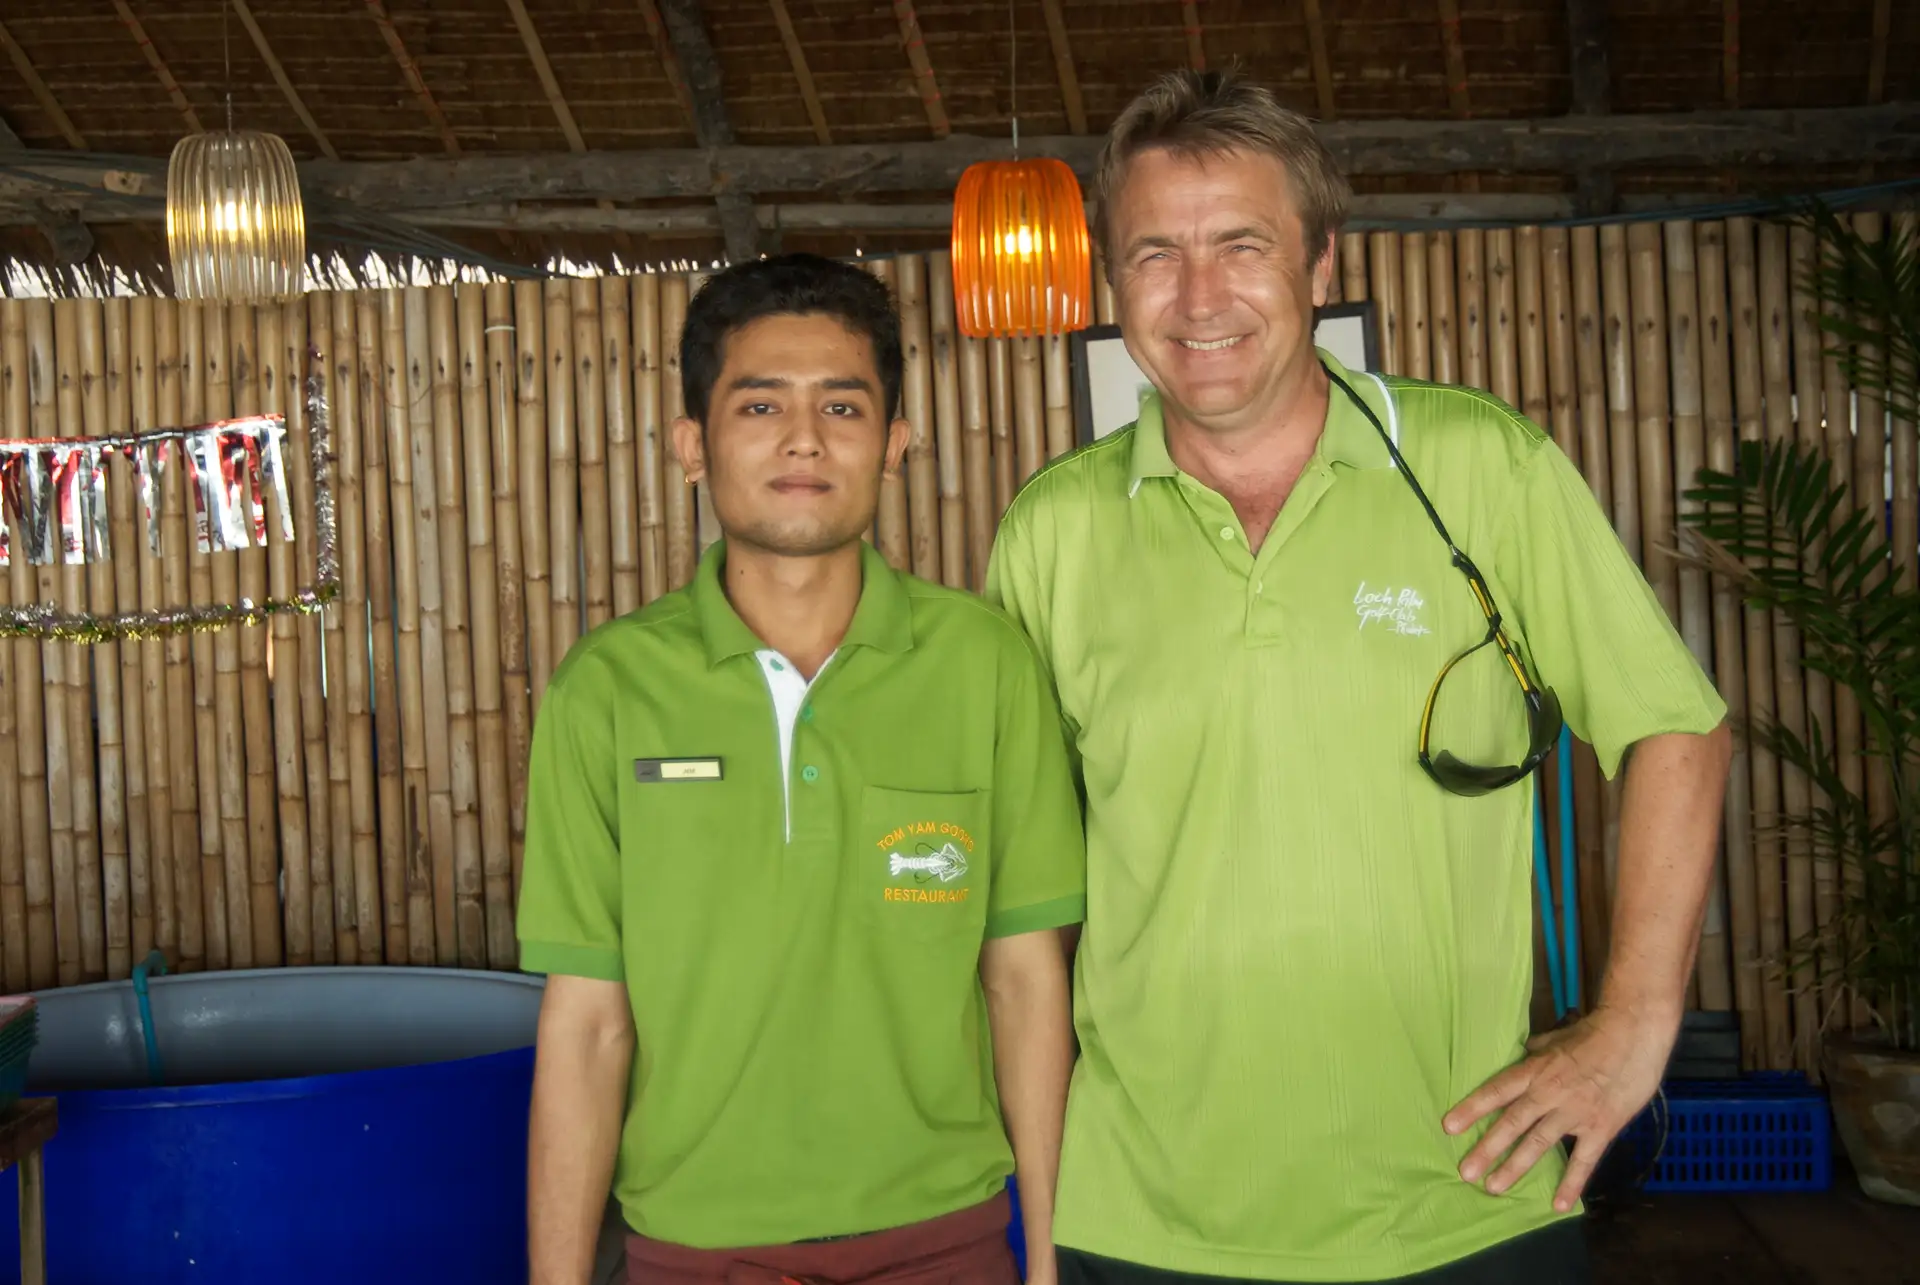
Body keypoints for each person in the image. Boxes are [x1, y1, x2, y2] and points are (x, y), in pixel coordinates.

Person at [985, 69, 1733, 1285]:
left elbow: (1676, 728)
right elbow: (1021, 889)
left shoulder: (1481, 466)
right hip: (1140, 1213)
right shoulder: (1052, 532)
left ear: (1320, 265)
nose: (1199, 296)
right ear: (1115, 281)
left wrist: (1635, 1021)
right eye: (1156, 254)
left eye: (1242, 245)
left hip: (1465, 1198)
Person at [517, 253, 1086, 1285]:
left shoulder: (985, 665)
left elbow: (1024, 982)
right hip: (691, 1254)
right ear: (692, 446)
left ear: (895, 444)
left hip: (945, 1243)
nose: (803, 438)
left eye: (842, 406)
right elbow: (588, 1023)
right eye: (759, 405)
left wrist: (1046, 1263)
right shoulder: (606, 690)